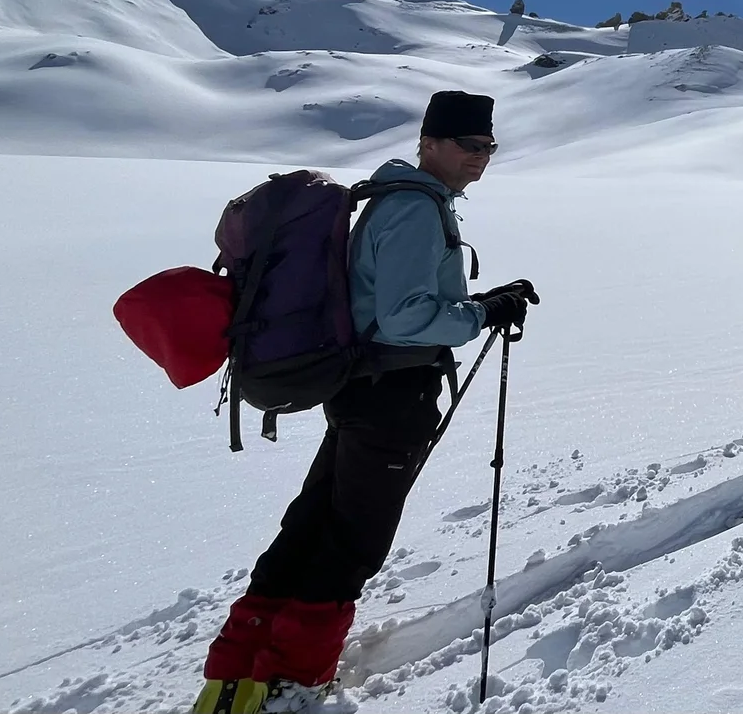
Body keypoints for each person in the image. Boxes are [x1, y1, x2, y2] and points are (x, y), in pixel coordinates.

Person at [197, 91, 534, 714]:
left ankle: (237, 667)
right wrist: (481, 312)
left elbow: (394, 299)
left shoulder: (393, 200)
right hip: (392, 392)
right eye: (468, 144)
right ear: (429, 143)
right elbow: (406, 319)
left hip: (363, 387)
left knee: (314, 522)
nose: (480, 157)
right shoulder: (413, 209)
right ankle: (288, 678)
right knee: (353, 541)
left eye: (489, 146)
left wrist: (480, 301)